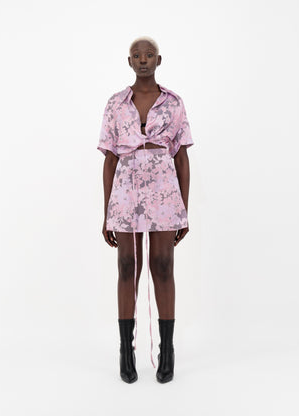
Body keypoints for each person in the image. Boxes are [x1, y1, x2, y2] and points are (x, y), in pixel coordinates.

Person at [97, 36, 194, 383]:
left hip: (164, 191)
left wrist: (184, 209)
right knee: (127, 265)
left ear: (158, 60)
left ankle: (167, 351)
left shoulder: (174, 103)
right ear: (129, 61)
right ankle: (126, 351)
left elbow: (181, 158)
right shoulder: (115, 104)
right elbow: (110, 160)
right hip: (125, 192)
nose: (143, 60)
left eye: (149, 55)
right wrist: (106, 212)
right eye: (137, 55)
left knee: (163, 265)